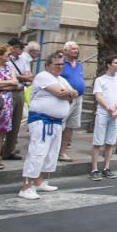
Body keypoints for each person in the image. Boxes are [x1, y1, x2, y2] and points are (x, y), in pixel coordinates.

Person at [19, 51, 79, 199]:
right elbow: (60, 93)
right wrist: (69, 93)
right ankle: (26, 187)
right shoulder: (43, 76)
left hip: (56, 122)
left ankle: (39, 181)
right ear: (48, 65)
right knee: (37, 152)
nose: (60, 67)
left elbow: (75, 92)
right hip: (42, 121)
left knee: (50, 154)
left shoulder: (61, 79)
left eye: (61, 64)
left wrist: (69, 93)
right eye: (57, 64)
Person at [90, 56, 117, 180]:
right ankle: (94, 169)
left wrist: (115, 106)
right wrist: (108, 107)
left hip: (116, 113)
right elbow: (98, 96)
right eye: (115, 63)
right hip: (103, 112)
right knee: (98, 141)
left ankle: (106, 167)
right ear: (108, 65)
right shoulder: (100, 80)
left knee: (110, 141)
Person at [1, 38, 34, 162]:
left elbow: (28, 75)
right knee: (3, 121)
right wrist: (21, 77)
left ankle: (9, 150)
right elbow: (7, 75)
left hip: (20, 91)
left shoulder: (24, 60)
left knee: (16, 122)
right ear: (13, 48)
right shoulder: (6, 60)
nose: (22, 49)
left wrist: (20, 77)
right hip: (8, 92)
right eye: (20, 47)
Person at [58, 42, 85, 162]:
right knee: (60, 126)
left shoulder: (79, 65)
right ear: (65, 51)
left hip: (78, 98)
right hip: (65, 99)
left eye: (77, 49)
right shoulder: (60, 63)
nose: (76, 51)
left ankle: (62, 152)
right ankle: (53, 151)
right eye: (73, 49)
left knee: (70, 126)